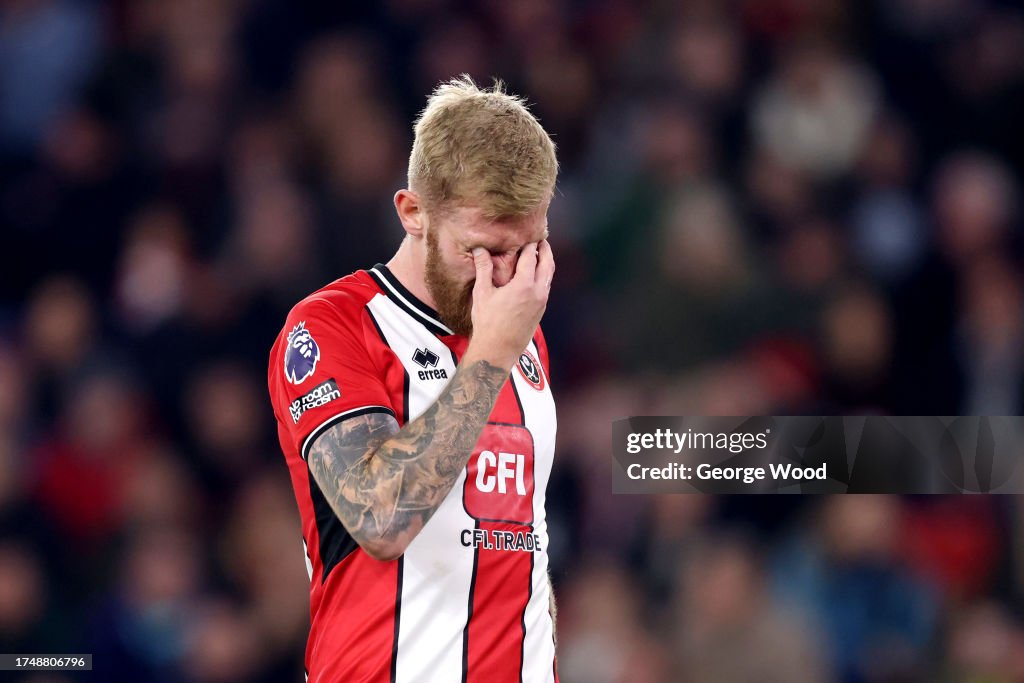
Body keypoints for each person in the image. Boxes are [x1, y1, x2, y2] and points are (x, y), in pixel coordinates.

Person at [267, 75, 560, 683]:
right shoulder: (330, 327)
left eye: (528, 247)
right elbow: (381, 522)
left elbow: (520, 538)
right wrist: (492, 355)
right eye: (481, 250)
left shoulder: (522, 336)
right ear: (413, 213)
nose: (504, 276)